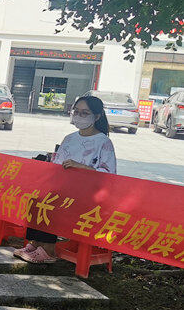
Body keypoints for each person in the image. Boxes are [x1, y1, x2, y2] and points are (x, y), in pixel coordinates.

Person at [16, 95, 117, 264]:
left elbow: (109, 175)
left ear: (97, 116)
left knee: (53, 203)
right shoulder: (69, 139)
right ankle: (36, 243)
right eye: (76, 112)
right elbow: (57, 166)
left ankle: (48, 250)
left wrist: (82, 168)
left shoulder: (103, 142)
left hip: (88, 196)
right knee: (37, 199)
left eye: (85, 113)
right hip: (64, 190)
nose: (79, 116)